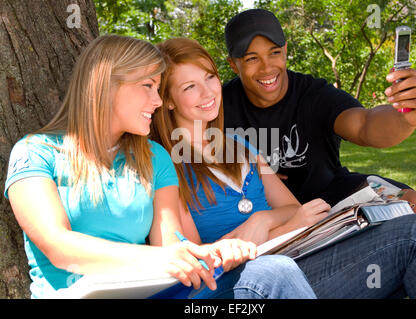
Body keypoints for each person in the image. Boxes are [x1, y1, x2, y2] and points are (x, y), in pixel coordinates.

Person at [3, 34, 317, 299]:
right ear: (106, 85)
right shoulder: (35, 152)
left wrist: (213, 251)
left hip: (157, 294)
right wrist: (163, 258)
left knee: (274, 271)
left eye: (158, 88)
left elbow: (175, 244)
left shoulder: (154, 157)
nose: (156, 100)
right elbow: (59, 247)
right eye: (147, 86)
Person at [152, 37, 416, 299]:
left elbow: (293, 209)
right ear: (166, 99)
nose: (208, 93)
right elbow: (195, 263)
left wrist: (263, 219)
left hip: (296, 260)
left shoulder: (239, 144)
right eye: (190, 86)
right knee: (415, 237)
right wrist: (266, 228)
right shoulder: (167, 165)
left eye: (210, 78)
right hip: (243, 284)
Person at [222, 8, 416, 224]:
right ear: (234, 64)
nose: (266, 67)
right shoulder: (219, 106)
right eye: (252, 58)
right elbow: (191, 159)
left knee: (413, 204)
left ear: (286, 50)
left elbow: (364, 125)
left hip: (330, 196)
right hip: (260, 209)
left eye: (274, 53)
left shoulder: (313, 94)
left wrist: (405, 117)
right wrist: (247, 175)